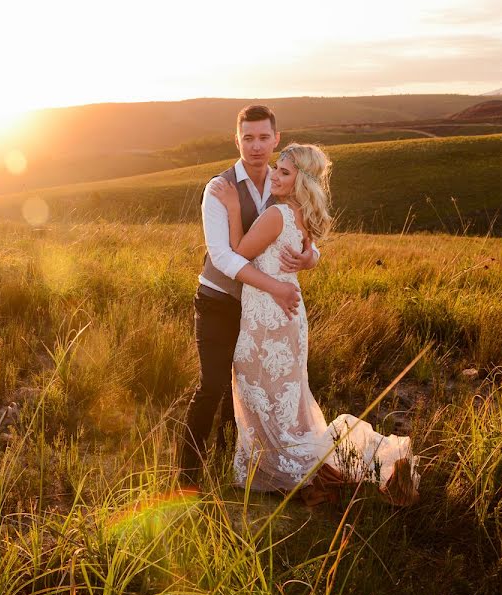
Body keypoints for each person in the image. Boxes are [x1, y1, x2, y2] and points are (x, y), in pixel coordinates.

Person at [209, 142, 419, 506]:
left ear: (301, 182)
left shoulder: (276, 215)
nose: (275, 175)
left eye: (285, 172)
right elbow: (308, 251)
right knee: (285, 400)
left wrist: (230, 207)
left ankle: (301, 471)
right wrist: (310, 259)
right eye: (277, 168)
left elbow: (238, 251)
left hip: (267, 320)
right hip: (288, 315)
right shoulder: (302, 215)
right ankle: (340, 465)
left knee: (261, 394)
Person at [178, 105, 316, 491]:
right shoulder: (219, 189)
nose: (256, 146)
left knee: (252, 388)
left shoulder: (284, 181)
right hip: (220, 301)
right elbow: (223, 255)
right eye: (248, 138)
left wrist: (310, 257)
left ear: (276, 139)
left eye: (263, 137)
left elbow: (305, 234)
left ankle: (235, 465)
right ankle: (186, 478)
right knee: (214, 385)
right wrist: (275, 286)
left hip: (261, 310)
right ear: (237, 140)